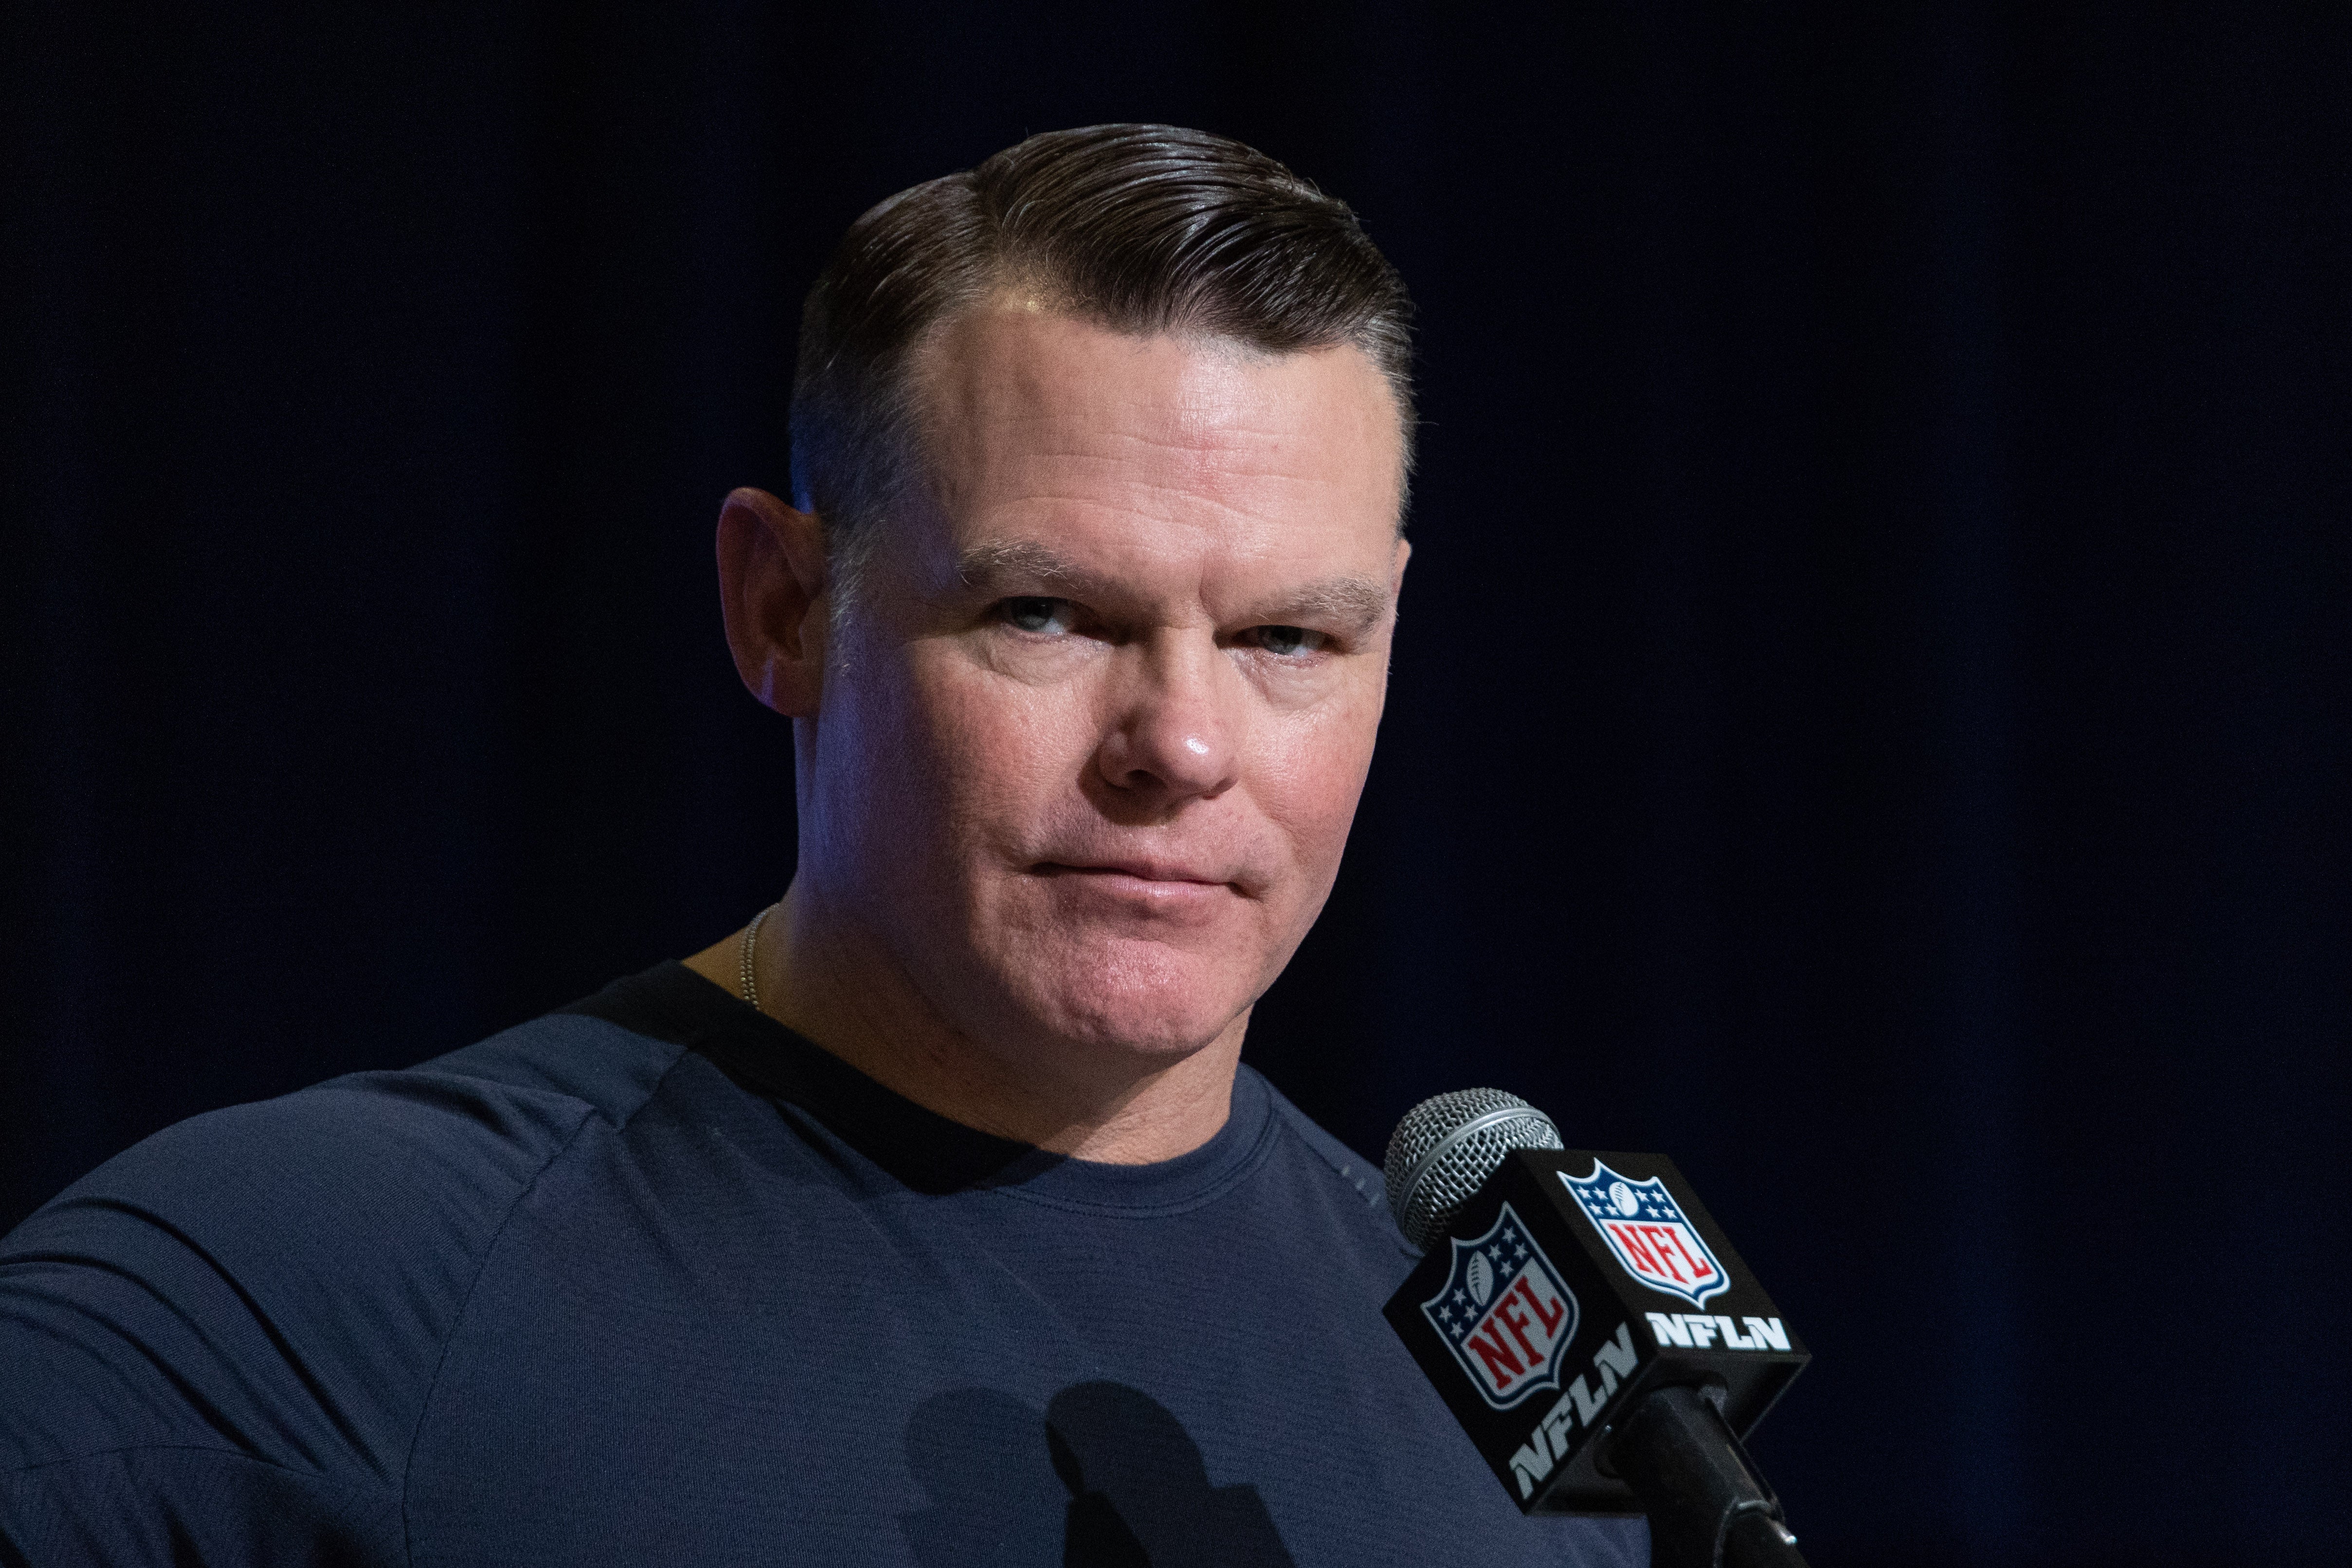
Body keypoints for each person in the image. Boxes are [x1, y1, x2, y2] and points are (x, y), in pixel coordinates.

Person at [0, 125, 1644, 1566]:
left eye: (1289, 637)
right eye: (1048, 613)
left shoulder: (1519, 1382)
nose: (1184, 746)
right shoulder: (312, 1290)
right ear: (783, 608)